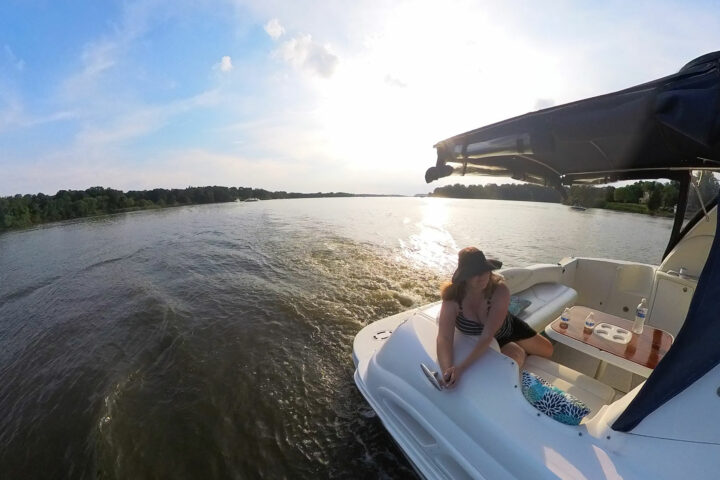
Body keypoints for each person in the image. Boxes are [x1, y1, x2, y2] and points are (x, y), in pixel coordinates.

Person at [437, 247, 553, 388]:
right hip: (487, 339)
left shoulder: (500, 290)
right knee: (514, 360)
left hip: (508, 328)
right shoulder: (453, 299)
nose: (483, 277)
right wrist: (447, 370)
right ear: (464, 276)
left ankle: (521, 346)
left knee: (548, 351)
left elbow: (487, 335)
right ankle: (520, 350)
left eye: (485, 270)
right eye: (475, 273)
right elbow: (444, 337)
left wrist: (461, 368)